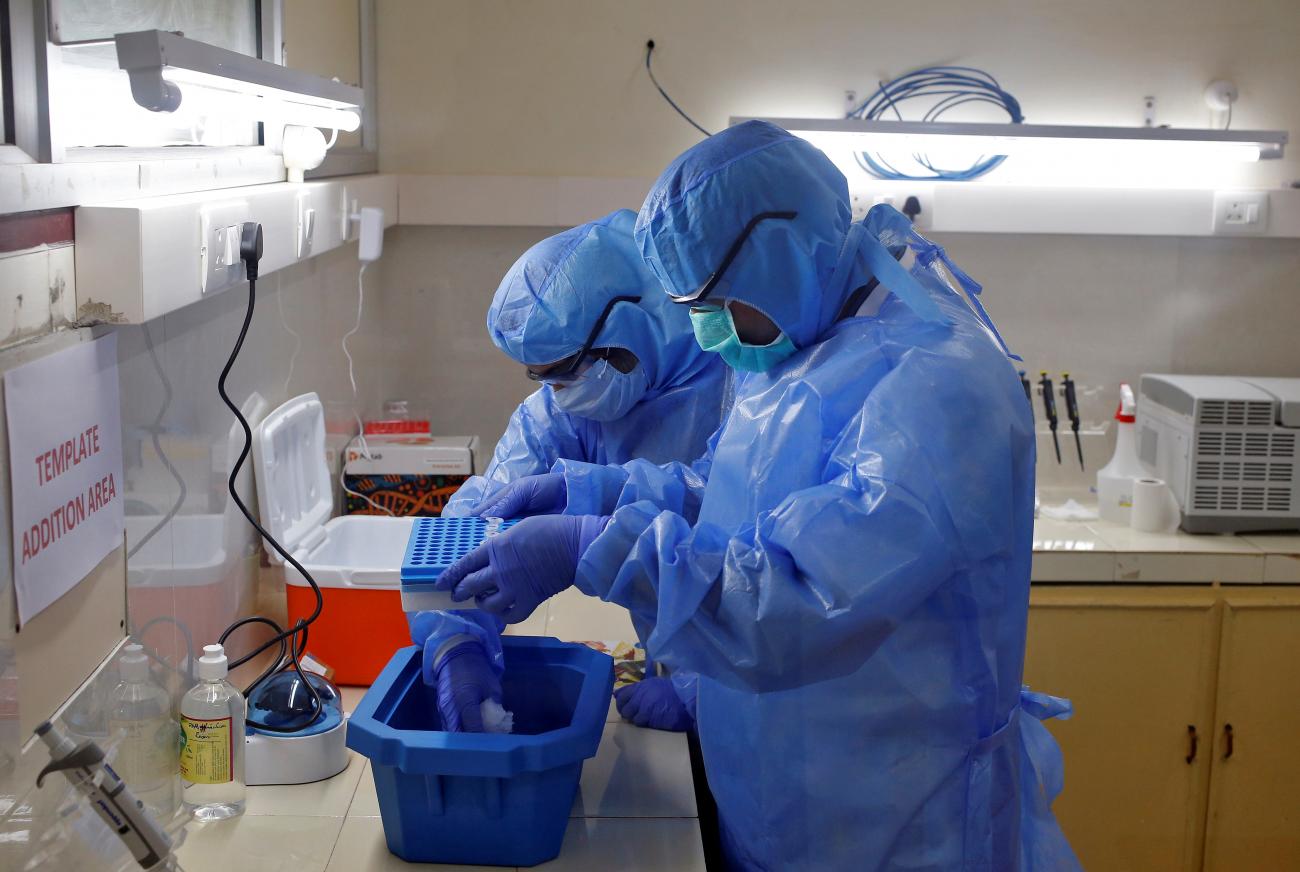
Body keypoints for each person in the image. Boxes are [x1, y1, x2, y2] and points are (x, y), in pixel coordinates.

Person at [437, 121, 1080, 870]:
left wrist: (589, 548)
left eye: (711, 305)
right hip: (790, 792)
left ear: (779, 251)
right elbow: (734, 493)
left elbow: (799, 601)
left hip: (897, 819)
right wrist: (598, 490)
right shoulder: (811, 337)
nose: (707, 337)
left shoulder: (936, 387)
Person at [412, 208, 723, 733]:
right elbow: (476, 523)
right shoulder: (565, 409)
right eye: (546, 378)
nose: (563, 392)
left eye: (569, 371)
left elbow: (765, 554)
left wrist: (702, 693)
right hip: (677, 662)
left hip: (777, 698)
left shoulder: (744, 377)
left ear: (627, 322)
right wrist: (457, 640)